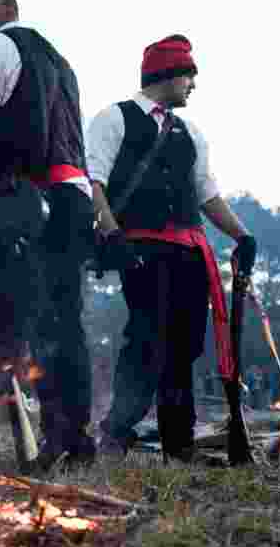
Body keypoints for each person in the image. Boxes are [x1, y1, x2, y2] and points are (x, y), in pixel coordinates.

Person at [88, 35, 258, 464]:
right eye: (188, 76)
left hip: (189, 254)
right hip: (141, 249)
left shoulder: (191, 132)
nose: (193, 85)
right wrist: (113, 235)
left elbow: (207, 194)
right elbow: (94, 182)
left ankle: (179, 446)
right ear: (166, 74)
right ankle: (115, 435)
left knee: (185, 347)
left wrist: (243, 236)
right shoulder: (114, 118)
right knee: (147, 339)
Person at [0, 0, 96, 470]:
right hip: (72, 199)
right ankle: (70, 441)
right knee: (62, 322)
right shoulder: (61, 62)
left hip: (21, 197)